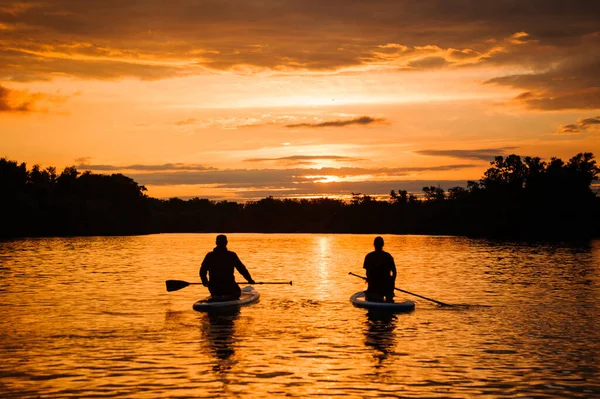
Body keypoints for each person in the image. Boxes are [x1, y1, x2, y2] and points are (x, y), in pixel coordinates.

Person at [200, 234, 255, 300]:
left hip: (214, 287)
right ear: (226, 243)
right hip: (229, 286)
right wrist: (249, 279)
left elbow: (202, 271)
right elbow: (242, 269)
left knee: (216, 290)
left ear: (216, 243)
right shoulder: (231, 255)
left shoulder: (209, 255)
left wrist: (205, 282)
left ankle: (216, 296)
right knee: (237, 292)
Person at [363, 236, 397, 302]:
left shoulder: (369, 256)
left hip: (374, 287)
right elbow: (394, 272)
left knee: (372, 297)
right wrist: (391, 283)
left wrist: (369, 279)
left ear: (374, 245)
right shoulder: (388, 256)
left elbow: (368, 273)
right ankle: (389, 296)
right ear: (383, 245)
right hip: (387, 287)